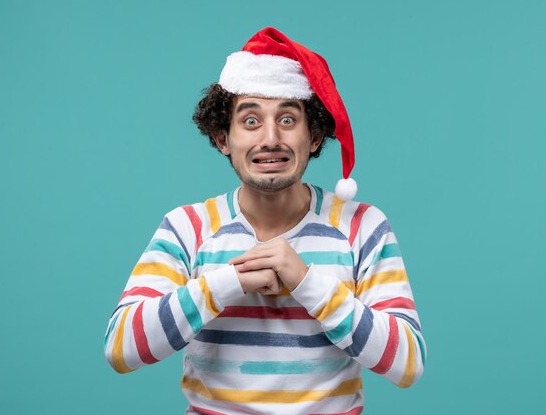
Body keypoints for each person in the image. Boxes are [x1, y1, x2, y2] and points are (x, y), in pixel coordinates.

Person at [104, 27, 426, 415]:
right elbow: (121, 349)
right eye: (251, 121)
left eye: (288, 120)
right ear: (224, 138)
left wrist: (307, 283)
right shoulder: (187, 227)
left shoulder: (363, 227)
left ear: (315, 136)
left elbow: (407, 364)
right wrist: (229, 282)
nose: (270, 138)